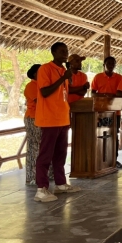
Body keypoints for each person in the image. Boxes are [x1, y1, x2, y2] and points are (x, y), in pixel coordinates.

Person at [34, 42, 81, 202]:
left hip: (62, 118)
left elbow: (64, 94)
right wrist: (63, 78)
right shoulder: (45, 69)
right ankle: (41, 189)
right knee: (45, 154)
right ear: (53, 52)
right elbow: (45, 92)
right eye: (62, 51)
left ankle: (60, 184)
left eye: (66, 51)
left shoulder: (63, 71)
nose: (65, 54)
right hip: (49, 119)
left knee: (61, 154)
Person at [91, 56, 122, 169]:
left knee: (114, 135)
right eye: (108, 63)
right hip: (100, 112)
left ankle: (114, 160)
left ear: (115, 65)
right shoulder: (98, 77)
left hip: (116, 112)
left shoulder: (120, 77)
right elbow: (93, 93)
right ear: (104, 65)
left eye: (113, 63)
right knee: (100, 136)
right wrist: (105, 95)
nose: (110, 65)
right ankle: (100, 160)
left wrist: (113, 96)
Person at [23, 64, 54, 185]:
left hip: (44, 118)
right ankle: (33, 176)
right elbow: (40, 101)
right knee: (35, 147)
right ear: (35, 74)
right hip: (33, 118)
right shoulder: (31, 86)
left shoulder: (42, 85)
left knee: (45, 146)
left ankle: (46, 174)